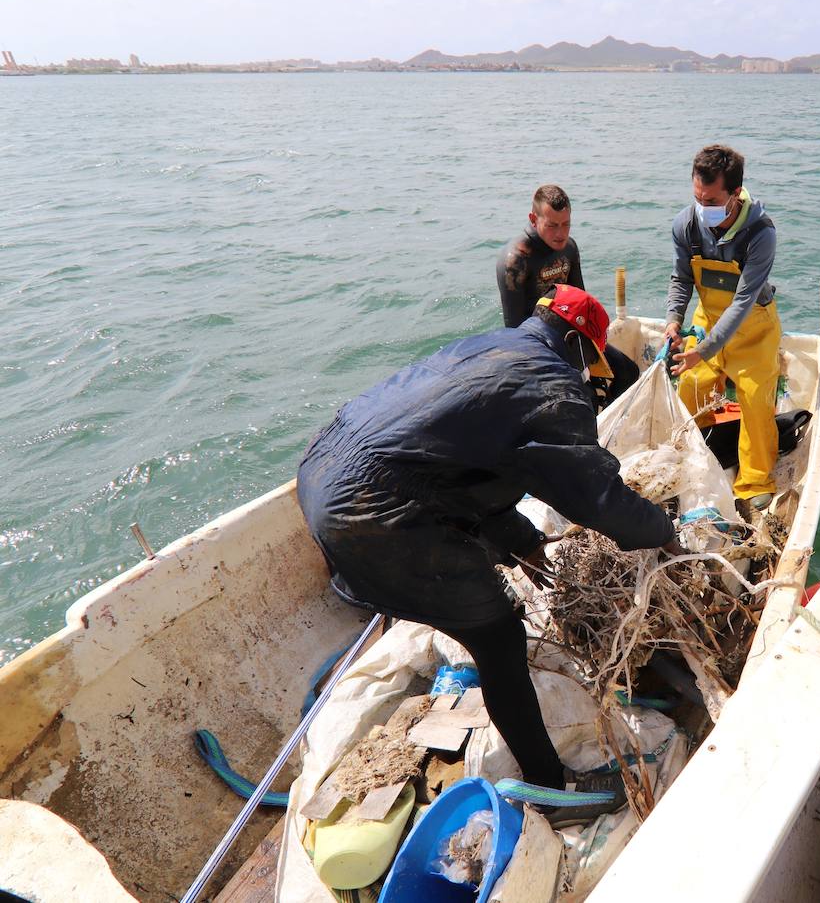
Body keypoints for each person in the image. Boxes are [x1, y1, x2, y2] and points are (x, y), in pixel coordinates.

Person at [297, 285, 679, 790]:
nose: (590, 373)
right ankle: (550, 784)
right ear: (574, 342)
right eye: (591, 358)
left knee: (452, 598)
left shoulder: (487, 346)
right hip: (373, 510)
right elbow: (596, 499)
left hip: (320, 471)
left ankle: (411, 607)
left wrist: (523, 543)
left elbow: (459, 476)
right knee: (499, 638)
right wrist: (664, 532)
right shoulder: (553, 384)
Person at [665, 144, 782, 510]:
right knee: (692, 385)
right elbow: (682, 279)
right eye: (698, 197)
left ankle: (754, 481)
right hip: (708, 320)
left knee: (754, 399)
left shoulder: (761, 233)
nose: (703, 207)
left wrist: (704, 351)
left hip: (754, 327)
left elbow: (744, 301)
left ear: (735, 194)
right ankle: (694, 460)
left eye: (712, 200)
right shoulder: (686, 224)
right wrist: (673, 320)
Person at [497, 184, 639, 405]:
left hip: (573, 338)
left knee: (628, 372)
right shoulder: (516, 260)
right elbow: (514, 329)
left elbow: (582, 303)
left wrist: (596, 343)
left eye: (566, 224)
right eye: (552, 225)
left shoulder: (569, 248)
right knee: (584, 397)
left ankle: (603, 422)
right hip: (539, 345)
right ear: (533, 219)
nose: (561, 233)